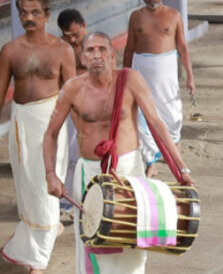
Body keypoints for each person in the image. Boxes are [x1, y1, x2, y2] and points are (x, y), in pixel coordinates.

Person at [42, 32, 194, 274]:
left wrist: (181, 168)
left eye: (102, 49)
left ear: (113, 55)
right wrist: (51, 174)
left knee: (133, 240)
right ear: (82, 57)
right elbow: (50, 133)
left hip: (129, 170)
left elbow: (156, 123)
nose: (97, 55)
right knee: (93, 241)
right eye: (90, 50)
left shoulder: (130, 80)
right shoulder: (72, 89)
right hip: (89, 173)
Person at [0, 0, 76, 273]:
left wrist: (85, 131)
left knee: (47, 186)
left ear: (47, 15)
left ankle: (38, 261)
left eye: (35, 12)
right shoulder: (10, 50)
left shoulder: (62, 50)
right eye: (23, 12)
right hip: (21, 124)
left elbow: (73, 93)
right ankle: (44, 230)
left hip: (50, 124)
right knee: (28, 186)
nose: (28, 18)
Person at [124, 0, 196, 174]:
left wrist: (190, 76)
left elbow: (183, 48)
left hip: (167, 72)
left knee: (171, 113)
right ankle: (150, 162)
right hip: (141, 69)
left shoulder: (174, 15)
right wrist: (125, 77)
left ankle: (175, 152)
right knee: (142, 114)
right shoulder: (136, 17)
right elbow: (129, 49)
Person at [56, 9, 89, 216]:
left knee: (90, 152)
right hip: (67, 104)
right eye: (68, 36)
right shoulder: (59, 47)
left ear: (84, 25)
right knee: (67, 153)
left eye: (76, 34)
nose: (74, 40)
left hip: (91, 103)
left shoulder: (95, 45)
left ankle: (89, 196)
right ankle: (67, 198)